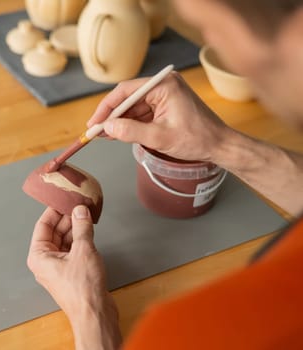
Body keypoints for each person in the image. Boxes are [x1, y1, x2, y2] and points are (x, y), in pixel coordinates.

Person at [27, 0, 303, 349]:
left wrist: (91, 313)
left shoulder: (189, 329)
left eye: (209, 27)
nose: (208, 40)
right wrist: (219, 143)